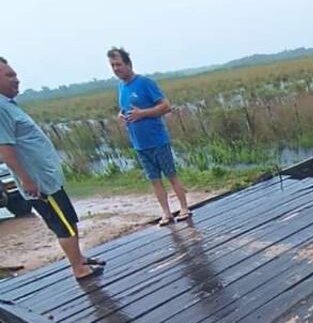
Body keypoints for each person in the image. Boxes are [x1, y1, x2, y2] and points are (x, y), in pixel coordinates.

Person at [0, 58, 104, 281]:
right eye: (9, 75)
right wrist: (26, 180)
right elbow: (6, 150)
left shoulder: (8, 105)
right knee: (62, 224)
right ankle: (78, 269)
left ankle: (80, 259)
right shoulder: (0, 108)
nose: (16, 80)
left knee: (68, 219)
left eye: (15, 74)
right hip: (38, 183)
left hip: (48, 179)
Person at [107, 47, 190, 226]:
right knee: (154, 180)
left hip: (157, 139)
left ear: (128, 64)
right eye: (113, 65)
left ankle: (184, 208)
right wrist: (121, 115)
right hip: (139, 143)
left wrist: (143, 113)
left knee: (171, 175)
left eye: (119, 64)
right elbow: (125, 109)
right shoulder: (121, 87)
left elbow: (166, 106)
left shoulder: (145, 83)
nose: (116, 68)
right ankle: (166, 213)